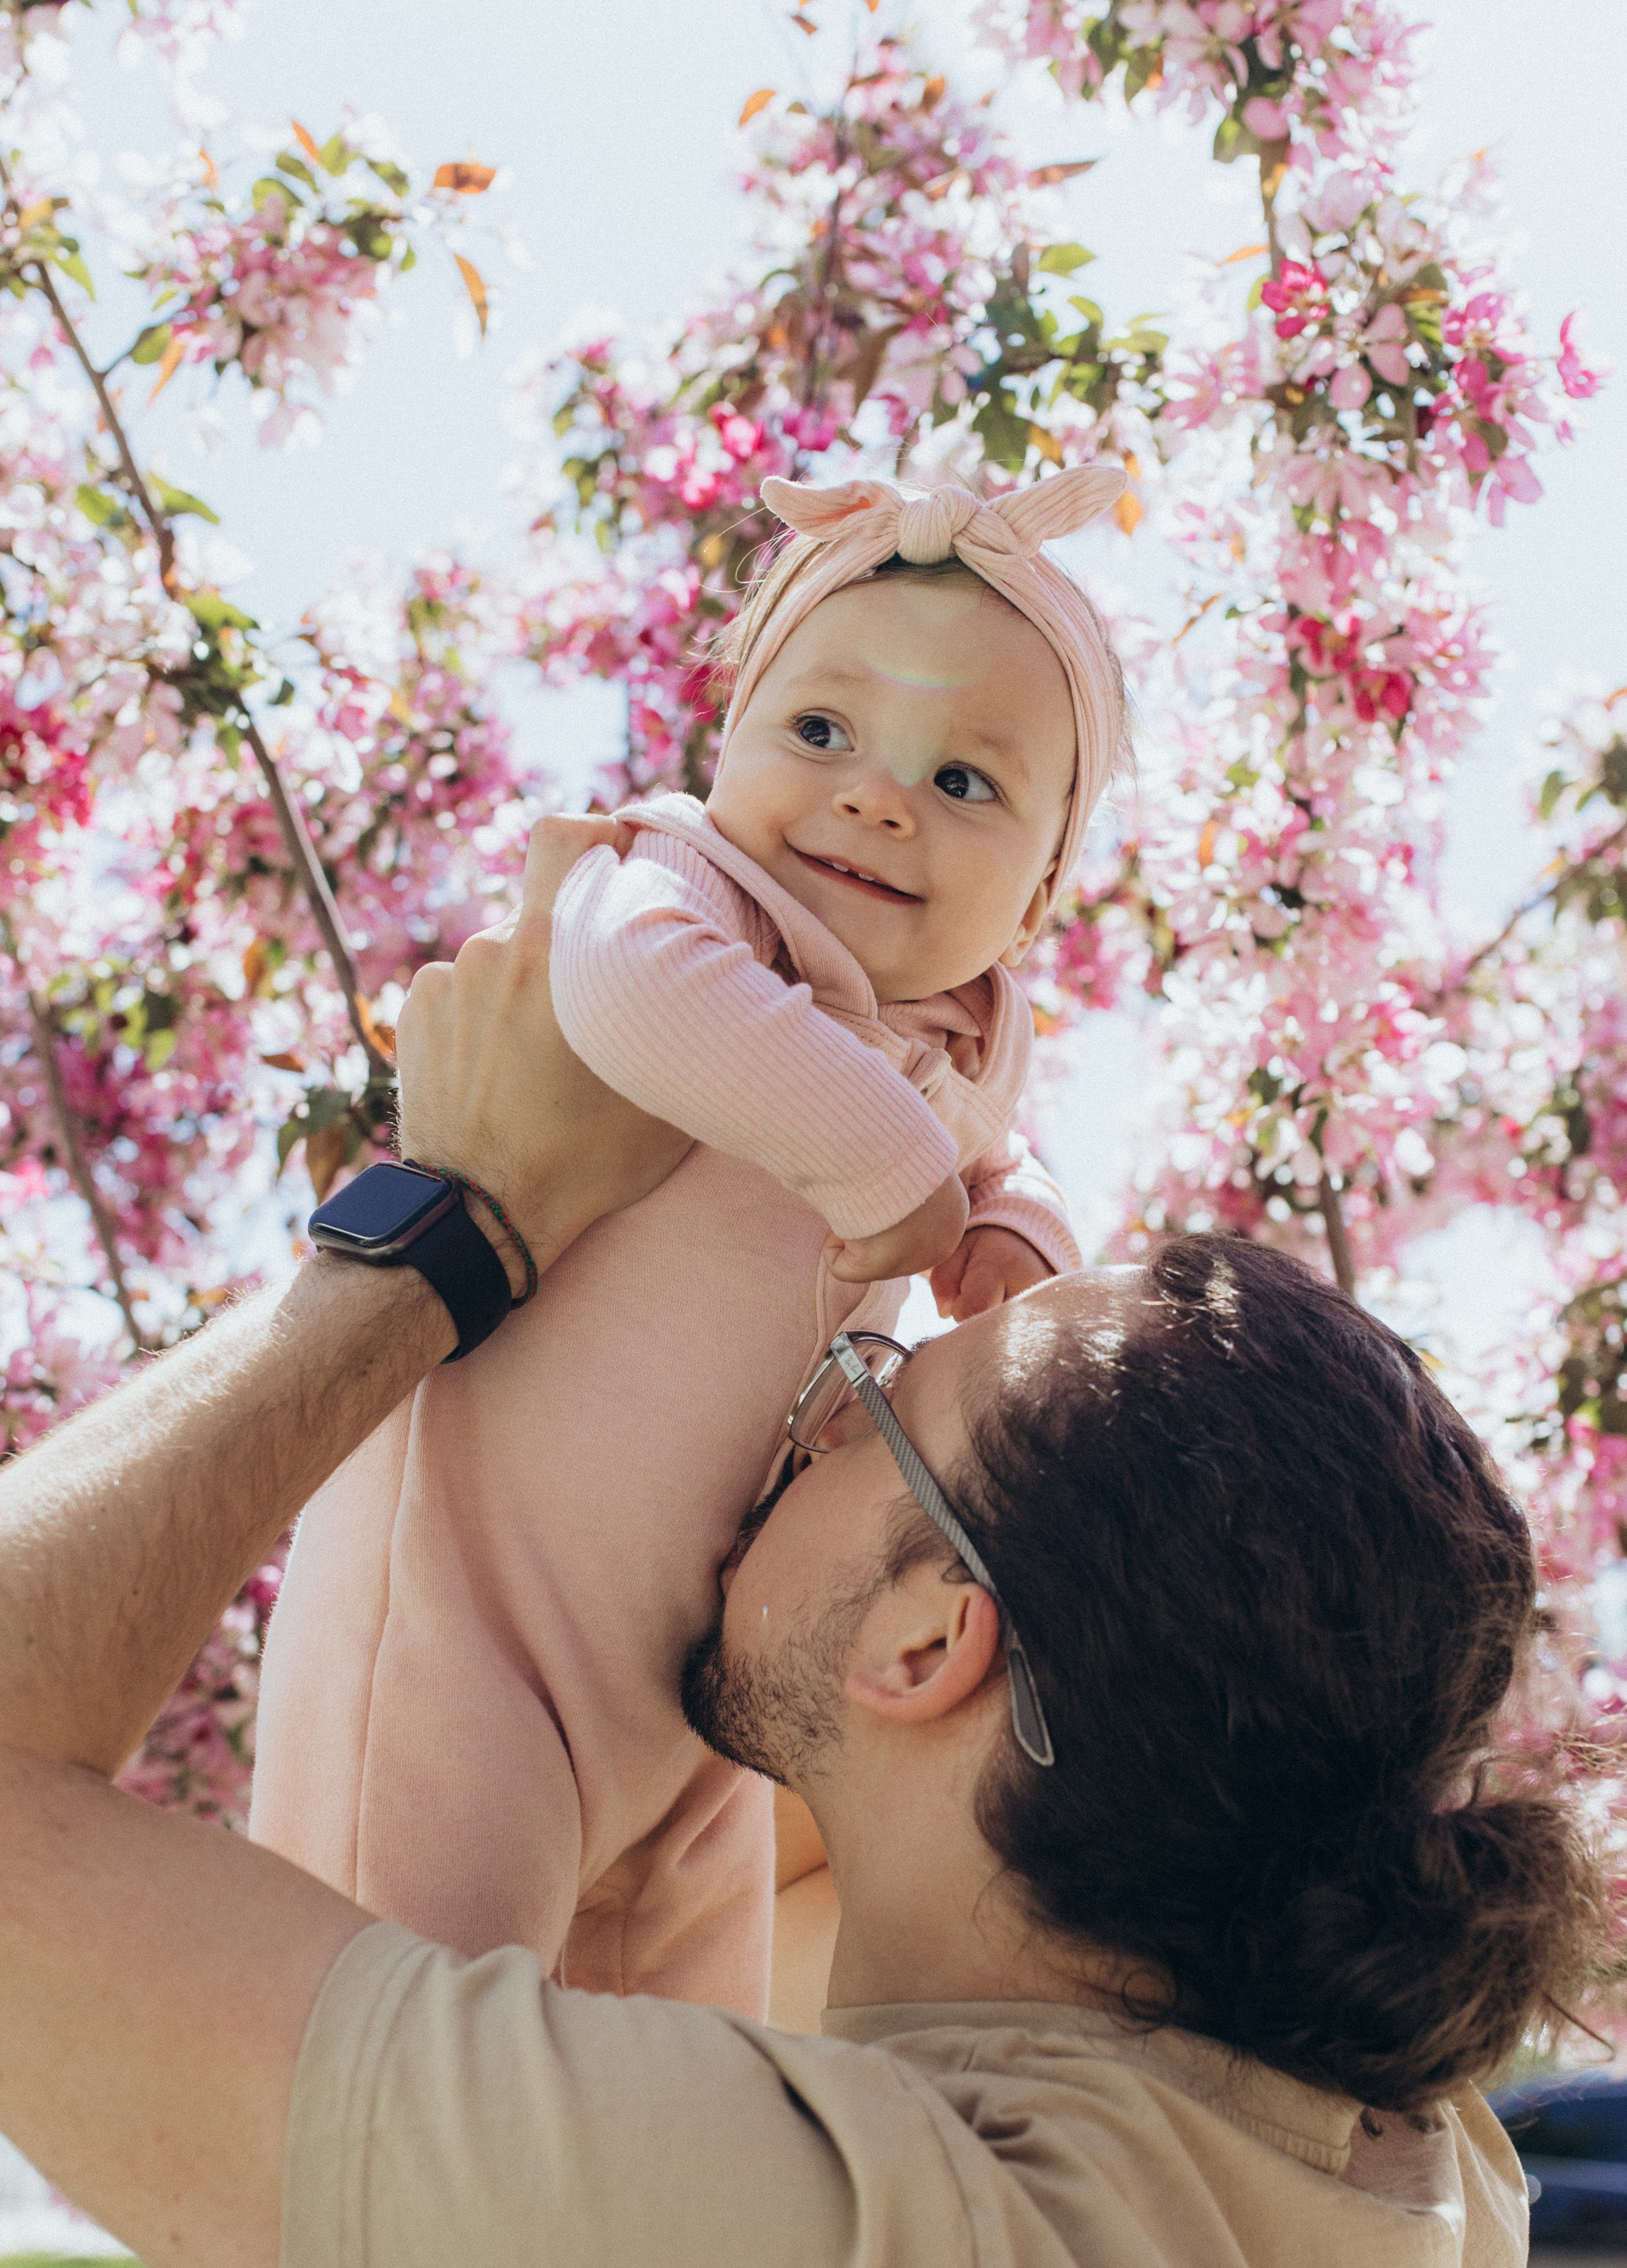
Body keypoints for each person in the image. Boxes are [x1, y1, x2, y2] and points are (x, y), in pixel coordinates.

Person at [0, 817, 1596, 2268]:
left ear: (927, 1640)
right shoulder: (1405, 2159)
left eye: (876, 1387)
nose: (804, 1417)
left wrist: (459, 1214)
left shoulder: (800, 2215)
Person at [248, 464, 1127, 2017]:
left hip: (704, 1700)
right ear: (724, 747)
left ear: (1043, 886)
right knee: (411, 2041)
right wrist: (887, 1163)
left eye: (964, 783)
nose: (874, 794)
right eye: (819, 732)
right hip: (474, 1623)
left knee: (683, 2056)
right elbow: (634, 1000)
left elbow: (1006, 1156)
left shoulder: (973, 1034)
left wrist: (1011, 1230)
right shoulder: (678, 892)